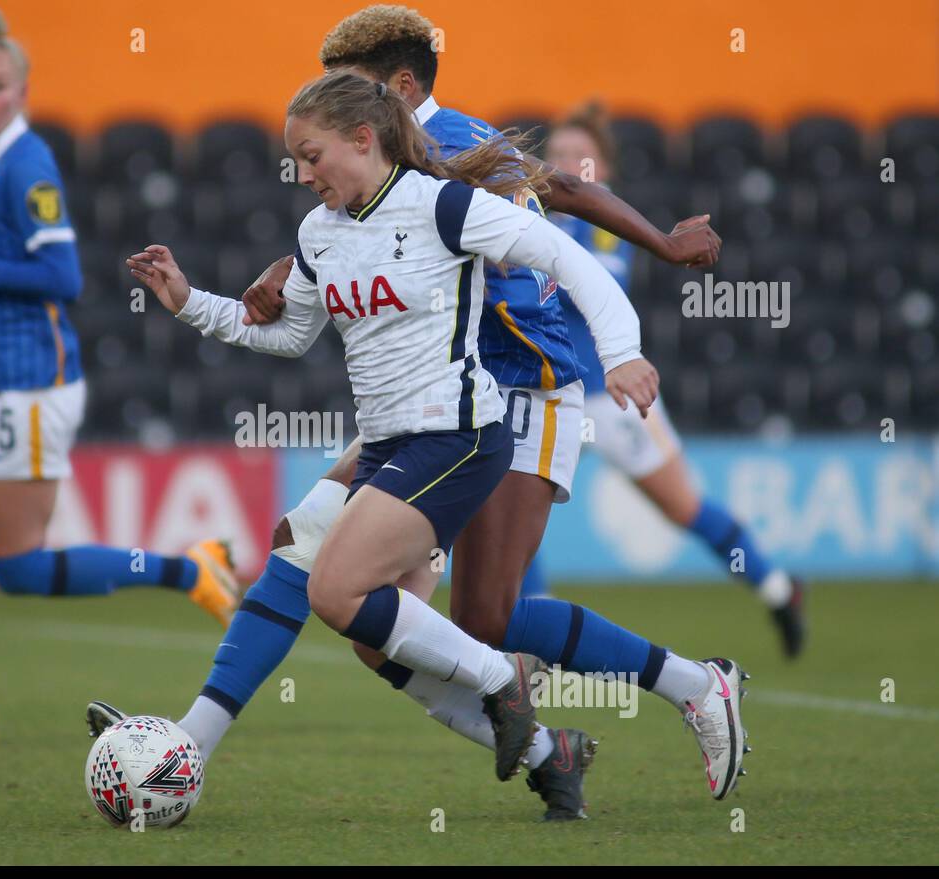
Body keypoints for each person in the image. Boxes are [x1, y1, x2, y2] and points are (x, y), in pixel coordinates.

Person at [95, 5, 748, 811]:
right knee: (311, 555)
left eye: (354, 90)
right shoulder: (352, 197)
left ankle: (689, 685)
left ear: (395, 94)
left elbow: (566, 195)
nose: (339, 107)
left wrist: (659, 254)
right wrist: (260, 275)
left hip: (521, 386)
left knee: (483, 613)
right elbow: (353, 241)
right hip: (420, 404)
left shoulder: (454, 152)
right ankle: (191, 743)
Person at [0, 5, 237, 750]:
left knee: (19, 570)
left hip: (33, 385)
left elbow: (60, 277)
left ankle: (186, 568)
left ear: (21, 94)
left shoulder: (26, 164)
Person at [527, 101, 806, 658]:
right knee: (517, 508)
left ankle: (778, 588)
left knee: (684, 508)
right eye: (554, 154)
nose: (562, 163)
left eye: (577, 156)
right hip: (548, 395)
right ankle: (528, 639)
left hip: (610, 399)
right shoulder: (525, 217)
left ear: (600, 171)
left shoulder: (603, 229)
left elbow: (581, 287)